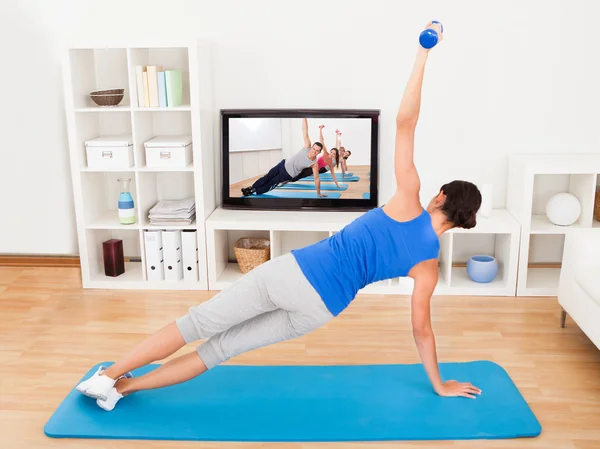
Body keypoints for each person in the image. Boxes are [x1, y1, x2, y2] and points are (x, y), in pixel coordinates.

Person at [75, 22, 483, 412]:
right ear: (462, 222)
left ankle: (108, 376)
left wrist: (423, 53)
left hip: (294, 274)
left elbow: (405, 122)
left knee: (194, 324)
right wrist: (439, 384)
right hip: (323, 308)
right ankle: (123, 390)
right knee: (217, 350)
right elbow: (422, 331)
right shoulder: (427, 267)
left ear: (439, 196)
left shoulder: (409, 198)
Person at [241, 118, 321, 196]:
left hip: (287, 174)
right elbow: (305, 130)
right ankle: (251, 187)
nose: (314, 151)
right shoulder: (307, 146)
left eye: (317, 151)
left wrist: (318, 193)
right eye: (314, 148)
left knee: (272, 182)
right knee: (267, 176)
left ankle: (254, 190)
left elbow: (316, 178)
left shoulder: (314, 164)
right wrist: (304, 116)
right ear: (312, 147)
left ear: (319, 152)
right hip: (282, 164)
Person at [285, 124, 341, 196]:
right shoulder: (325, 153)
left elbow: (333, 175)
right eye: (331, 152)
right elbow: (322, 141)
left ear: (335, 156)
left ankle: (286, 180)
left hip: (312, 169)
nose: (331, 154)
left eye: (333, 154)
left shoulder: (330, 163)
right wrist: (320, 129)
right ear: (329, 151)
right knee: (296, 170)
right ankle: (285, 178)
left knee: (299, 176)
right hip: (309, 162)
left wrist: (337, 185)